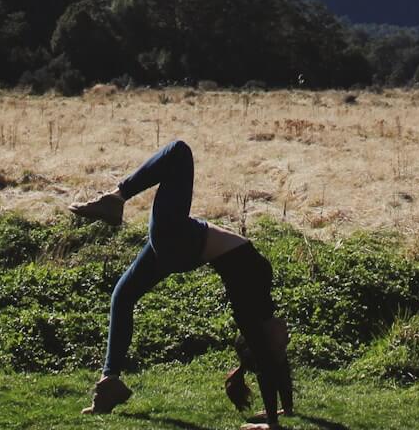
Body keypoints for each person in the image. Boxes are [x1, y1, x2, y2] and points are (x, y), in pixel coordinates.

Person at [70, 139, 293, 428]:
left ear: (260, 342)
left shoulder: (251, 302)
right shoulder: (264, 308)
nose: (286, 336)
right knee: (123, 296)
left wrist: (272, 424)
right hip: (181, 242)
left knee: (179, 152)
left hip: (183, 240)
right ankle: (108, 382)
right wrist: (286, 408)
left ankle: (116, 198)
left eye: (280, 344)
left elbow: (265, 356)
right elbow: (273, 358)